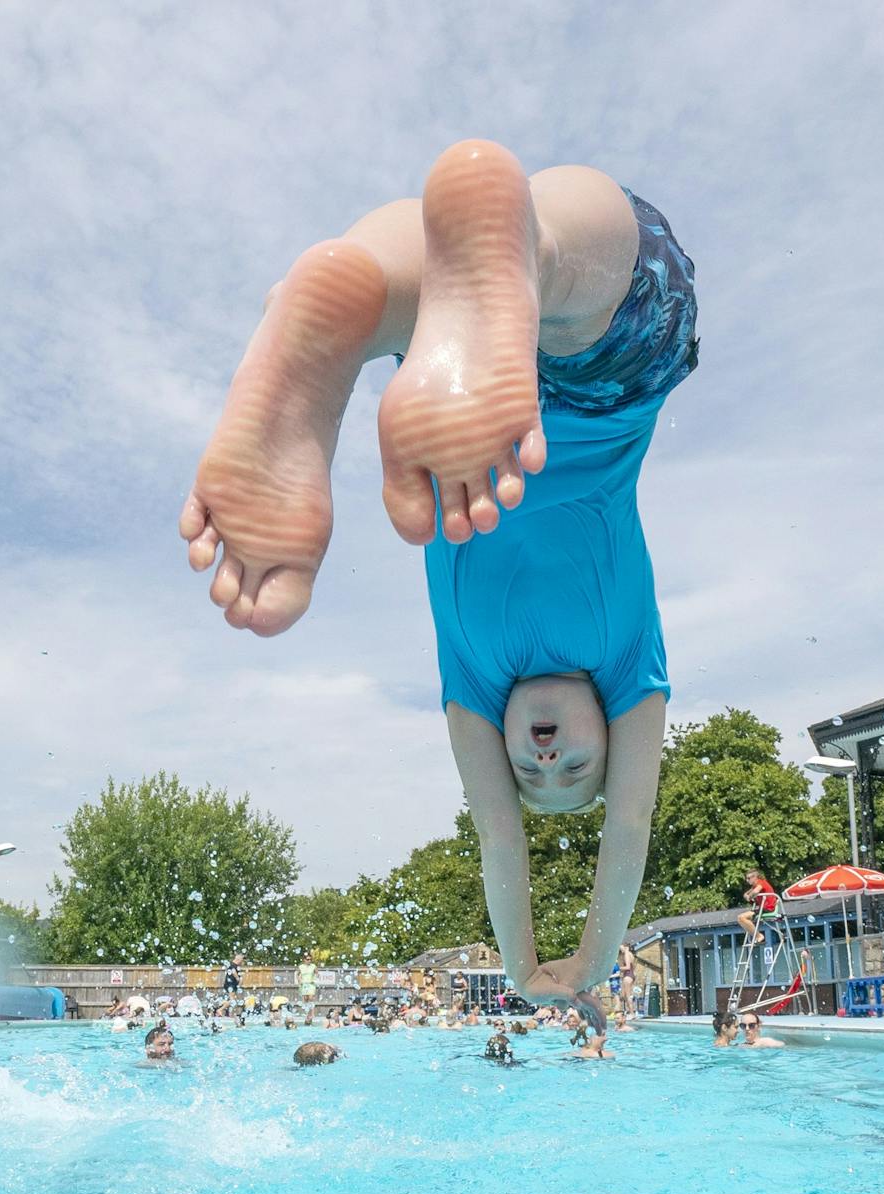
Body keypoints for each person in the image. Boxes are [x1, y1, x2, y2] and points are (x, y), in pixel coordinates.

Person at [178, 142, 695, 1032]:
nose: (544, 757)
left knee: (404, 281)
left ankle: (345, 306)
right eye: (575, 764)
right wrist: (591, 956)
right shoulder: (629, 669)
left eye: (532, 770)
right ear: (608, 730)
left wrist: (523, 961)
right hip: (604, 380)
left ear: (498, 743)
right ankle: (520, 247)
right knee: (606, 266)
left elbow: (500, 838)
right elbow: (630, 829)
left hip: (469, 380)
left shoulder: (472, 682)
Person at [737, 870, 780, 948]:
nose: (747, 880)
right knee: (741, 918)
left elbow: (755, 892)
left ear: (755, 877)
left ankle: (759, 936)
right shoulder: (754, 886)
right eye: (746, 878)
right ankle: (757, 936)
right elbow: (745, 894)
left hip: (767, 908)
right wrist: (748, 896)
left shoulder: (761, 882)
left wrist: (750, 897)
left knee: (742, 917)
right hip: (762, 908)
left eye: (748, 878)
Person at [615, 942, 638, 1022]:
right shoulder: (630, 954)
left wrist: (618, 968)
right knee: (625, 995)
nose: (620, 949)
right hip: (630, 975)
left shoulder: (627, 954)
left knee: (628, 996)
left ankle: (632, 1014)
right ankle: (630, 1012)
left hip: (628, 976)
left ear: (625, 946)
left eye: (620, 947)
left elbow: (627, 967)